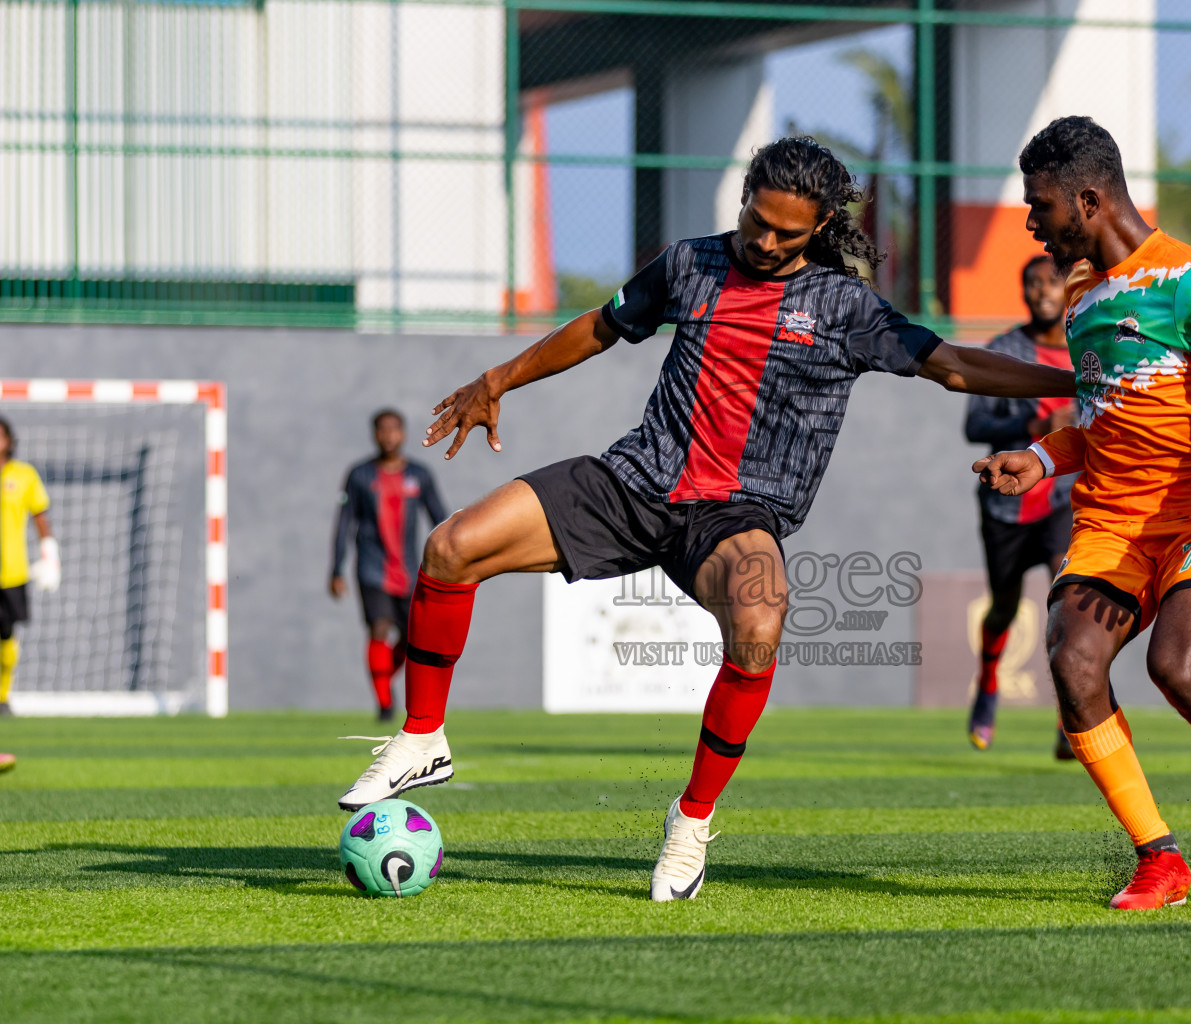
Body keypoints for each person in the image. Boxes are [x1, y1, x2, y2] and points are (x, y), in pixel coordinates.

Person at [336, 136, 1078, 902]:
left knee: (761, 623)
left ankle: (690, 821)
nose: (764, 241)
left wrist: (1071, 376)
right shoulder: (689, 265)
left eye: (787, 234)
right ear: (746, 199)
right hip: (636, 480)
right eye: (757, 220)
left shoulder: (845, 307)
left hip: (736, 515)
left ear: (819, 227)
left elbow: (953, 365)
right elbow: (597, 327)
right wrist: (499, 379)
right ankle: (423, 735)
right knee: (453, 546)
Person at [974, 116, 1191, 910]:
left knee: (1181, 671)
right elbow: (1102, 424)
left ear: (1088, 200)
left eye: (1040, 206)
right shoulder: (1084, 299)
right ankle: (1159, 857)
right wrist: (1043, 457)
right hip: (1112, 523)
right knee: (1072, 663)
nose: (1032, 223)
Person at [962, 254, 1078, 757]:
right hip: (1007, 507)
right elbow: (974, 426)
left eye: (1052, 281)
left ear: (1068, 287)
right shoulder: (1006, 349)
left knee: (1066, 604)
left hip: (1062, 501)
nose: (1042, 291)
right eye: (1032, 282)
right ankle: (987, 685)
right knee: (1005, 607)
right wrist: (1027, 432)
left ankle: (1070, 718)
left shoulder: (1085, 345)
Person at [330, 409, 448, 721]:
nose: (388, 436)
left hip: (409, 571)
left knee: (414, 639)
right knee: (379, 628)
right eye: (382, 430)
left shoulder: (419, 475)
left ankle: (385, 678)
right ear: (374, 435)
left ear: (404, 433)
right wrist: (336, 569)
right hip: (371, 569)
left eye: (394, 430)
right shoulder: (359, 475)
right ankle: (384, 703)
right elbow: (343, 522)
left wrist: (456, 554)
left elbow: (440, 519)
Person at [0, 417, 60, 720]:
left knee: (6, 637)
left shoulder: (23, 476)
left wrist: (50, 553)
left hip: (11, 572)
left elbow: (39, 514)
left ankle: (2, 697)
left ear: (9, 440)